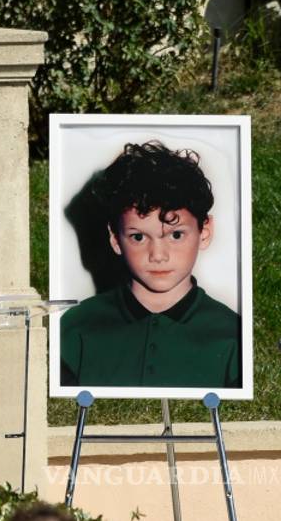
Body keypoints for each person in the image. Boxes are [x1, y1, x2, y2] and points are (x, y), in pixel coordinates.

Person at [60, 141, 240, 388]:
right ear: (115, 239)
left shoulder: (233, 335)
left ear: (205, 232)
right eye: (138, 237)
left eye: (176, 235)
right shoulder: (75, 328)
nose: (158, 255)